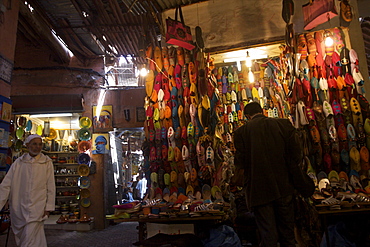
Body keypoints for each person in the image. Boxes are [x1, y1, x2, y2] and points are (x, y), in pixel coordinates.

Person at [233, 102, 303, 247]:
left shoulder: (241, 132)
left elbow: (240, 162)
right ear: (262, 111)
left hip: (260, 191)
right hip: (284, 186)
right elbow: (296, 154)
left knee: (268, 234)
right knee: (288, 233)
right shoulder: (283, 125)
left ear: (247, 116)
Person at [0, 134, 55, 247]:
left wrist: (48, 207)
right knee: (31, 239)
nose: (37, 147)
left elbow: (51, 186)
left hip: (37, 207)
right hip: (19, 207)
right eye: (34, 144)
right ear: (27, 145)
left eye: (40, 144)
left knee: (29, 239)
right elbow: (6, 185)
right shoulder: (18, 163)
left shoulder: (46, 162)